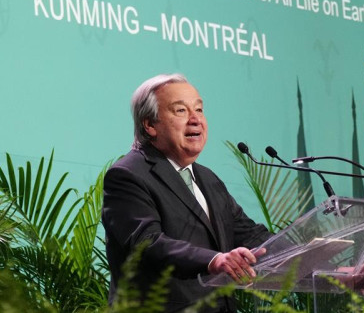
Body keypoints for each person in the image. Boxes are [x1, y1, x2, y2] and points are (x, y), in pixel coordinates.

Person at [102, 73, 273, 312]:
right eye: (181, 111)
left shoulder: (208, 179)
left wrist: (319, 262)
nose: (195, 120)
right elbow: (147, 243)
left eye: (199, 110)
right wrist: (214, 260)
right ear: (150, 125)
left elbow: (252, 236)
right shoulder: (128, 175)